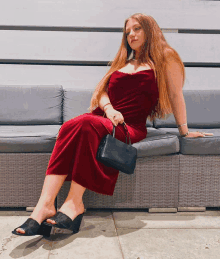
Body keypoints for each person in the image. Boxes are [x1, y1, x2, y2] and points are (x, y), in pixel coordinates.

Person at [12, 13, 212, 237]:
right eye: (127, 32)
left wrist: (184, 131)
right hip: (105, 117)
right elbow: (102, 92)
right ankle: (44, 205)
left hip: (130, 126)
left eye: (137, 29)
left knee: (87, 124)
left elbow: (176, 95)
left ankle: (74, 203)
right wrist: (109, 109)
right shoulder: (124, 61)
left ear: (150, 29)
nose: (131, 35)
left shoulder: (166, 57)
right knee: (69, 126)